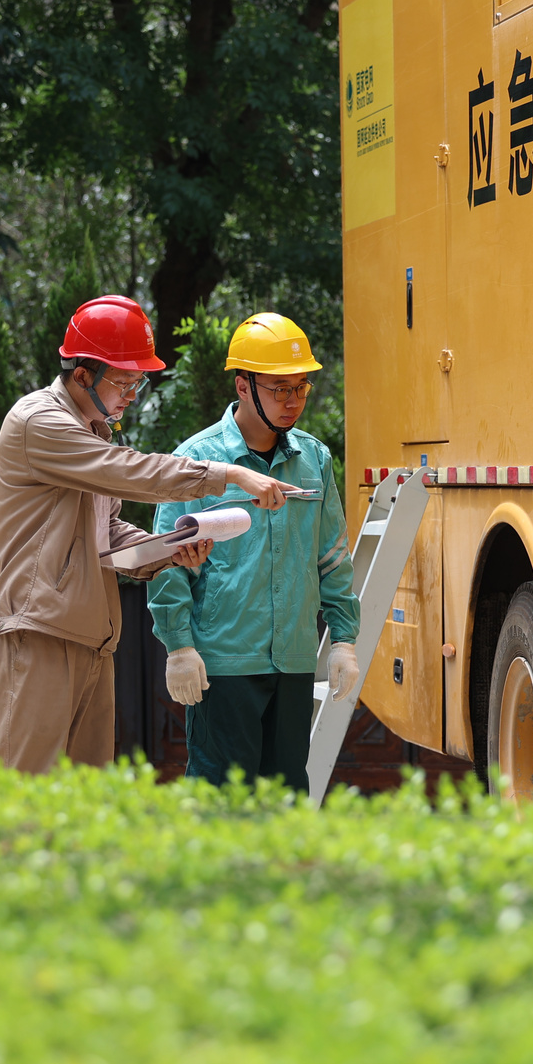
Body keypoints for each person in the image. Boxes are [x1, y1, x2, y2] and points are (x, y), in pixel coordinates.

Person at [0, 295, 300, 773]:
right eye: (124, 380)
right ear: (82, 374)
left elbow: (105, 538)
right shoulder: (40, 421)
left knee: (85, 803)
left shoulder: (92, 431)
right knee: (22, 800)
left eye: (138, 381)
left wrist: (171, 551)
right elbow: (128, 471)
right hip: (38, 630)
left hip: (92, 637)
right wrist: (230, 475)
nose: (132, 393)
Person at [148, 313, 360, 792]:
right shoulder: (197, 463)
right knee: (222, 799)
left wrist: (344, 639)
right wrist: (179, 645)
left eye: (301, 387)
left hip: (293, 660)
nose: (293, 402)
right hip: (223, 664)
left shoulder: (315, 461)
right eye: (279, 389)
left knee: (285, 796)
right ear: (243, 386)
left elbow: (331, 555)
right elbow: (164, 561)